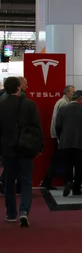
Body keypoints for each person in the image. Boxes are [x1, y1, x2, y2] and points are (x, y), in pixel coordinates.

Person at [0, 76, 43, 227]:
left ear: (5, 88)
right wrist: (39, 147)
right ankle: (24, 211)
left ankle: (11, 214)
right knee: (26, 182)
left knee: (9, 182)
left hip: (8, 150)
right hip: (26, 148)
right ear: (19, 88)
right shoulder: (30, 105)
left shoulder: (2, 105)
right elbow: (37, 128)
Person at [56, 90, 82, 197]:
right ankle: (77, 188)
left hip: (65, 142)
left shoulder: (63, 109)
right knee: (78, 166)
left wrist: (61, 137)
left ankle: (68, 182)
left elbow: (58, 126)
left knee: (67, 165)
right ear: (80, 99)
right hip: (80, 142)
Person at [41, 85, 75, 189]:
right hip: (61, 137)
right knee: (58, 159)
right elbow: (60, 122)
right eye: (72, 92)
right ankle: (48, 180)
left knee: (60, 159)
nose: (73, 94)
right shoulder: (64, 103)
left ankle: (63, 180)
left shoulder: (62, 102)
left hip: (59, 136)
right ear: (66, 93)